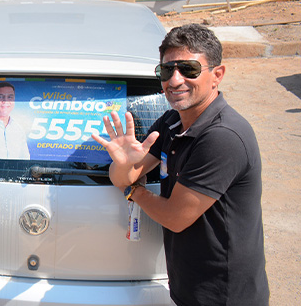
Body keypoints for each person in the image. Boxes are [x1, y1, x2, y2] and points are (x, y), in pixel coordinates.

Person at [92, 24, 269, 305]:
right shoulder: (172, 122)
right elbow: (121, 176)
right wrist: (125, 165)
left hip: (223, 294)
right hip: (188, 285)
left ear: (217, 75)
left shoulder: (222, 137)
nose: (174, 81)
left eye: (188, 69)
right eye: (166, 71)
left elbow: (175, 217)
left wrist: (134, 190)